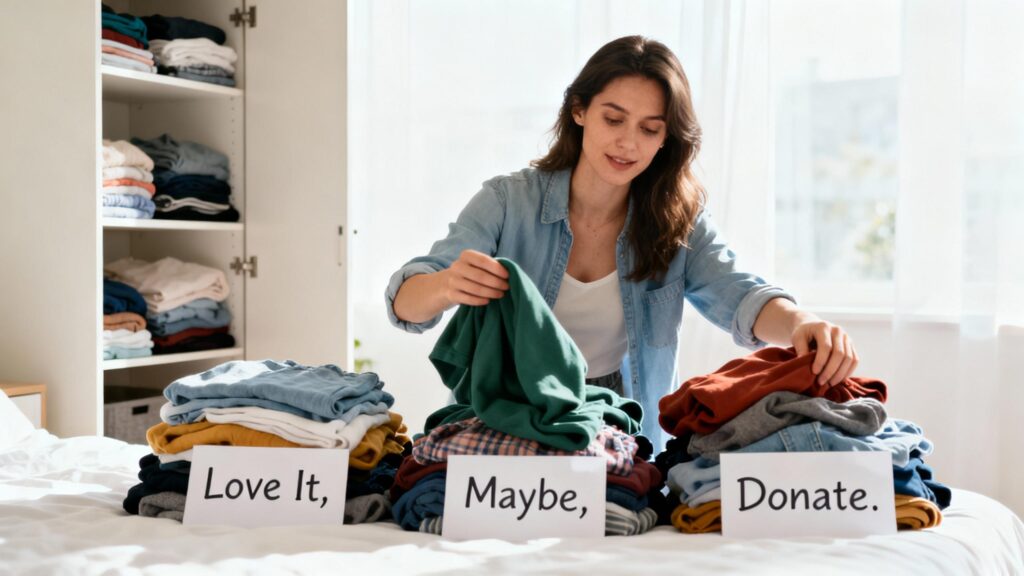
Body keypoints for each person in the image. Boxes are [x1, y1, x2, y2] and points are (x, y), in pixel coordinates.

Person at [384, 35, 858, 446]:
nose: (628, 143)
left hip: (620, 422)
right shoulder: (508, 202)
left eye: (649, 129)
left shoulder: (679, 221)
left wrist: (803, 324)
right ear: (580, 111)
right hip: (505, 412)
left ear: (665, 140)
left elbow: (741, 296)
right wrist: (447, 285)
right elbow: (405, 301)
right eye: (614, 119)